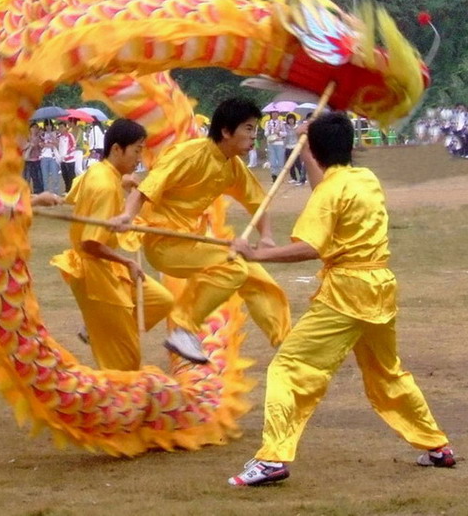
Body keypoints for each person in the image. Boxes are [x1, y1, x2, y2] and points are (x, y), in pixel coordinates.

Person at [228, 112, 455, 486]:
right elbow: (326, 189)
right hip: (379, 287)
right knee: (386, 373)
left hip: (347, 294)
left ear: (316, 148)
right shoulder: (364, 179)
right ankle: (436, 445)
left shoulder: (333, 192)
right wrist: (306, 150)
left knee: (290, 366)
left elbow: (309, 247)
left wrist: (255, 254)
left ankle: (272, 458)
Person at [113, 97, 290, 364]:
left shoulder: (233, 165)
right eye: (249, 128)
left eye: (256, 129)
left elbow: (257, 201)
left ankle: (286, 343)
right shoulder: (191, 154)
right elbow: (146, 189)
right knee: (234, 267)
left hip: (191, 241)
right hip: (165, 244)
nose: (255, 135)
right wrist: (127, 215)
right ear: (226, 131)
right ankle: (184, 328)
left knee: (255, 274)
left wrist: (266, 236)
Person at [52, 119, 174, 370]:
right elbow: (89, 244)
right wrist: (126, 261)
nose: (140, 158)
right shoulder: (104, 184)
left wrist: (124, 182)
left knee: (159, 300)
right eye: (137, 150)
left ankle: (102, 327)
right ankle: (105, 330)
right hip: (95, 272)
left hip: (105, 266)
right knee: (125, 362)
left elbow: (73, 195)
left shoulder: (98, 171)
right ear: (117, 149)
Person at [264, 112, 287, 182]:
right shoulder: (267, 123)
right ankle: (274, 176)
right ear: (271, 114)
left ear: (278, 114)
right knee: (272, 160)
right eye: (273, 113)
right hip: (271, 143)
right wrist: (270, 130)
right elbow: (266, 134)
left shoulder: (281, 123)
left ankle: (281, 176)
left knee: (280, 160)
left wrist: (279, 132)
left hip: (279, 143)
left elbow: (285, 133)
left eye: (276, 113)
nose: (274, 115)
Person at [57, 121, 77, 192]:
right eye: (59, 127)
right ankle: (67, 190)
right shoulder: (59, 137)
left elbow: (74, 146)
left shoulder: (69, 135)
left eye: (62, 127)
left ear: (66, 127)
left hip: (70, 160)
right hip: (62, 160)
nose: (60, 129)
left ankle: (73, 191)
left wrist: (68, 152)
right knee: (65, 176)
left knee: (71, 177)